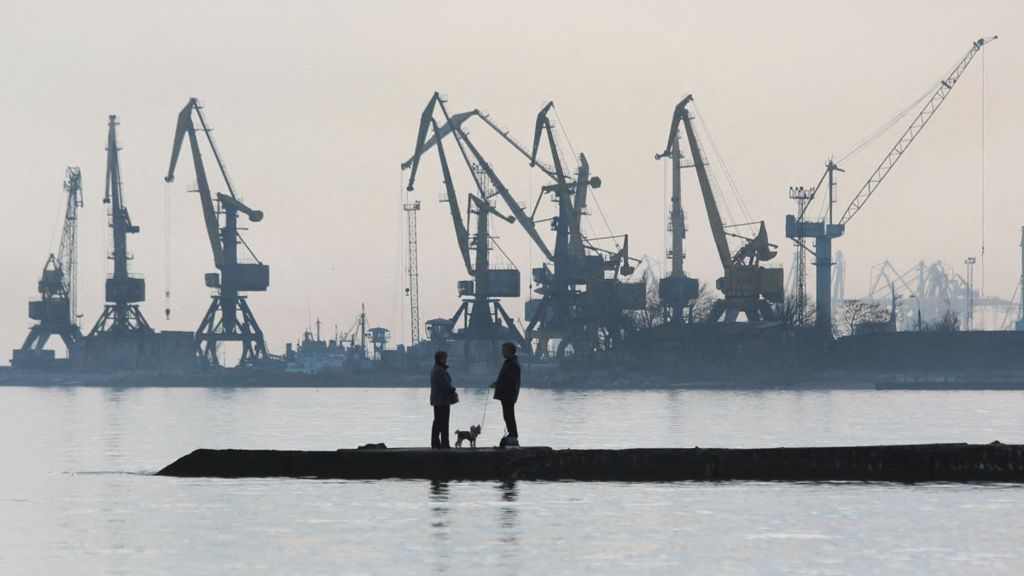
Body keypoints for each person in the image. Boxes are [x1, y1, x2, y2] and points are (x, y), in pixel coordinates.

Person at [492, 342, 521, 446]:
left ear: (510, 351)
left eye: (504, 350)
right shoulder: (509, 362)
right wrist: (497, 383)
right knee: (507, 415)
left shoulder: (513, 364)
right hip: (506, 394)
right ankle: (512, 433)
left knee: (509, 415)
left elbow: (511, 381)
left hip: (508, 395)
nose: (502, 353)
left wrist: (500, 385)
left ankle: (513, 434)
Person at [430, 350, 456, 449]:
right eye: (445, 358)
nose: (446, 360)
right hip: (442, 401)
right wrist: (452, 389)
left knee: (437, 422)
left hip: (437, 400)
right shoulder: (440, 371)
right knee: (444, 423)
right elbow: (445, 386)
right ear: (441, 359)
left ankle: (435, 443)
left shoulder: (435, 369)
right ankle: (445, 444)